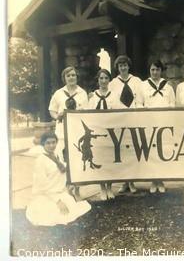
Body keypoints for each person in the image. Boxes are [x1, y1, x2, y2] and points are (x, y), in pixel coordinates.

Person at [26, 132, 91, 226]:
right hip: (47, 195)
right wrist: (58, 202)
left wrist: (68, 185)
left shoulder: (56, 156)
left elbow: (61, 174)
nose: (51, 145)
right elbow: (42, 186)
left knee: (72, 208)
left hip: (60, 192)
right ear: (43, 144)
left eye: (53, 142)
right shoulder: (40, 161)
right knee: (55, 215)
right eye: (48, 143)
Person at [109, 55, 143, 193]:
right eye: (120, 65)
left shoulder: (137, 81)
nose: (123, 67)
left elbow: (140, 100)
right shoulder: (113, 83)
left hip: (134, 119)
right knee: (122, 150)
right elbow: (111, 102)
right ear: (117, 68)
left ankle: (133, 181)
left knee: (133, 150)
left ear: (128, 66)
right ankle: (124, 181)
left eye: (125, 65)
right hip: (120, 120)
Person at [141, 60, 176, 193]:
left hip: (164, 124)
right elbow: (139, 103)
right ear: (150, 71)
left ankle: (160, 180)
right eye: (152, 70)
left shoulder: (168, 86)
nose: (155, 72)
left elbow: (173, 104)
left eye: (157, 70)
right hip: (149, 123)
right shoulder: (143, 86)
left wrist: (166, 114)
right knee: (151, 151)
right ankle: (153, 180)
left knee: (162, 152)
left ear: (161, 71)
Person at [48, 66, 89, 162]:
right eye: (68, 75)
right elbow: (52, 110)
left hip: (77, 130)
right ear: (64, 78)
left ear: (77, 77)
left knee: (77, 156)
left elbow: (87, 113)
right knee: (61, 156)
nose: (71, 77)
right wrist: (57, 116)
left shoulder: (82, 93)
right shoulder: (59, 93)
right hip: (62, 130)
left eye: (73, 75)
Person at [88, 69, 116, 200]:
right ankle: (102, 188)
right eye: (101, 78)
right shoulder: (93, 97)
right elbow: (88, 115)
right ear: (98, 80)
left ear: (109, 80)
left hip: (110, 132)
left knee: (109, 160)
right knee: (98, 160)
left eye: (106, 78)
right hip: (97, 132)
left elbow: (119, 114)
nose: (104, 81)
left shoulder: (114, 96)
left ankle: (109, 188)